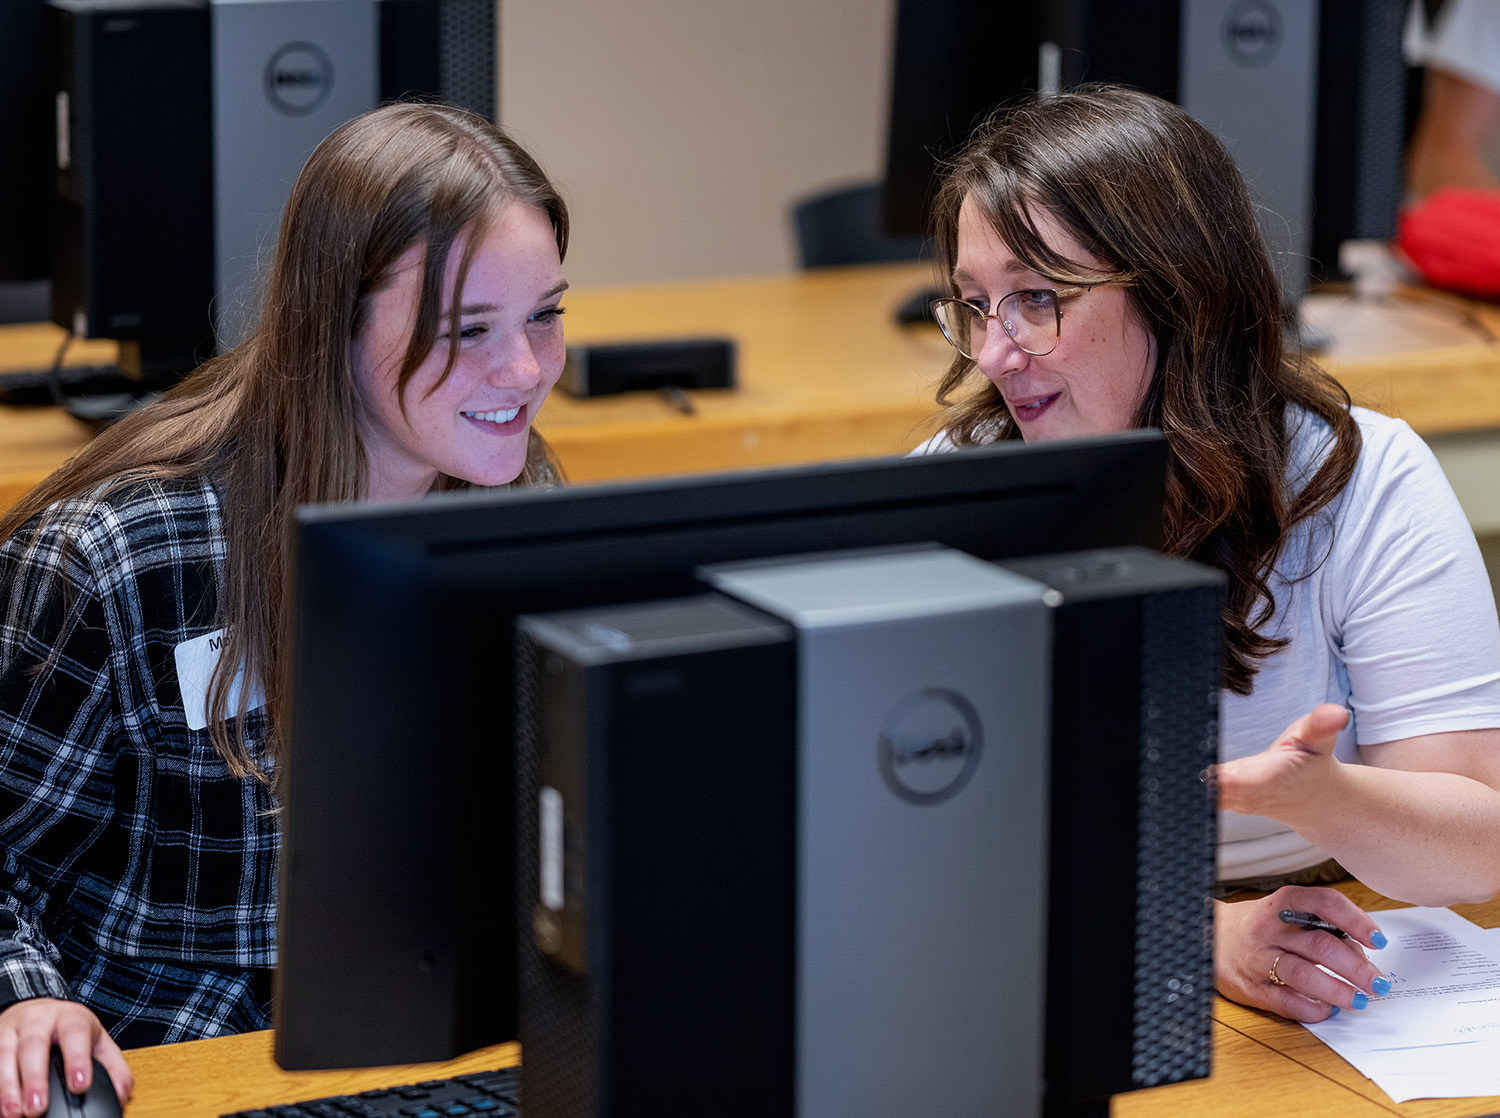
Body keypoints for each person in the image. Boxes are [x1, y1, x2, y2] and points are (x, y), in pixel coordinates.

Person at [0, 101, 569, 1117]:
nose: (525, 372)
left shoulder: (522, 510)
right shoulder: (122, 554)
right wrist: (27, 999)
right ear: (335, 322)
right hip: (187, 1062)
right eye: (468, 330)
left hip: (429, 1056)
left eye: (547, 313)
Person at [915, 84, 1500, 1023]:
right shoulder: (956, 493)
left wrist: (1323, 798)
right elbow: (923, 843)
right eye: (975, 306)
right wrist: (1195, 930)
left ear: (1177, 293)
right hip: (1056, 937)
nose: (994, 354)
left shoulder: (1364, 477)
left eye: (1036, 299)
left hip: (1345, 928)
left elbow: (1475, 854)